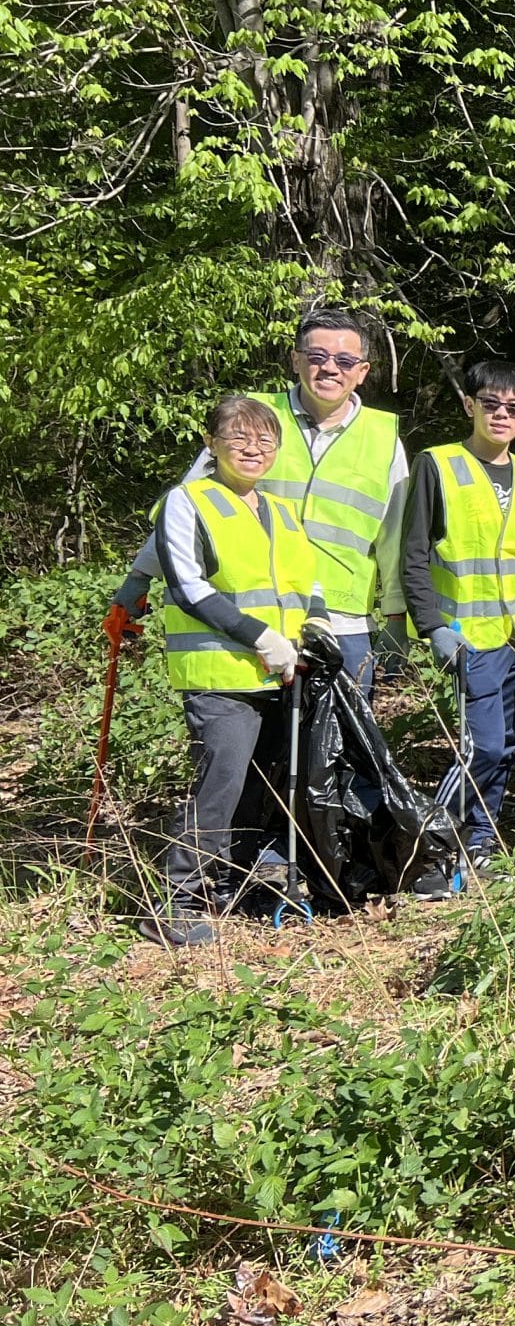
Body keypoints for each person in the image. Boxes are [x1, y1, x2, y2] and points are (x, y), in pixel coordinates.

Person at [116, 308, 406, 694]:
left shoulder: (383, 438)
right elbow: (187, 508)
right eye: (317, 357)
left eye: (344, 360)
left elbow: (395, 537)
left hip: (343, 623)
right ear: (296, 359)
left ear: (362, 371)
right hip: (254, 627)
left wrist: (397, 619)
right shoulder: (251, 418)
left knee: (340, 752)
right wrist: (139, 577)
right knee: (261, 751)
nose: (330, 369)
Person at [143, 394, 325, 946]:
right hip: (220, 674)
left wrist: (313, 629)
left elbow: (306, 583)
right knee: (221, 780)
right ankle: (177, 900)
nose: (253, 448)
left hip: (279, 674)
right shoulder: (187, 501)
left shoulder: (281, 511)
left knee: (258, 783)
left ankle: (228, 879)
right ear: (211, 443)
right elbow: (189, 586)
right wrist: (261, 637)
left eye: (265, 439)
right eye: (238, 437)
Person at [399, 360, 515, 879]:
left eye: (513, 408)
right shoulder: (438, 465)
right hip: (467, 635)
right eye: (491, 404)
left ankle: (480, 844)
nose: (501, 415)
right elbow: (413, 552)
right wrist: (431, 625)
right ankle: (434, 850)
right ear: (470, 405)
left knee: (504, 746)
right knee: (478, 746)